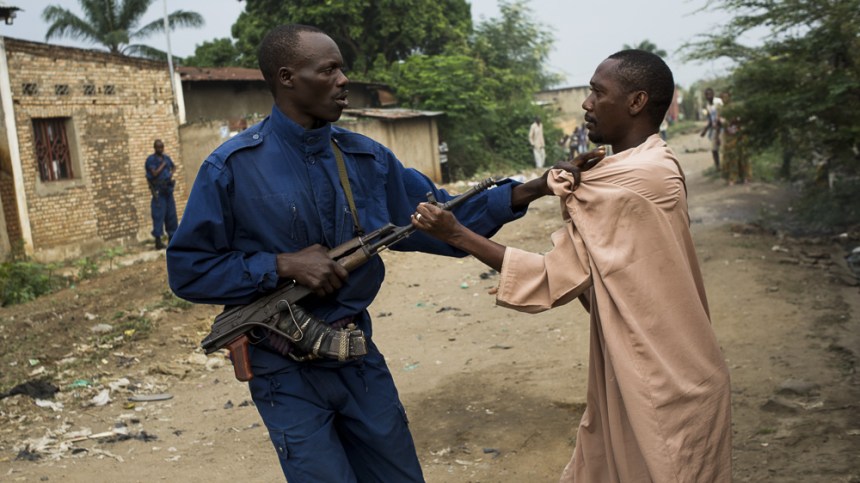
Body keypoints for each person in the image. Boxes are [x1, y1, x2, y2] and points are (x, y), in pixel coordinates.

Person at [165, 24, 573, 482]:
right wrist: (281, 264)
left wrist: (535, 188)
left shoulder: (367, 160)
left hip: (354, 355)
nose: (343, 80)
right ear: (286, 77)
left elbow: (442, 221)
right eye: (329, 69)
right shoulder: (231, 168)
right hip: (282, 367)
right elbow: (188, 270)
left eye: (342, 68)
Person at [412, 49, 732, 482]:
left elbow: (552, 277)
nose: (586, 104)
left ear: (636, 103)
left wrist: (456, 234)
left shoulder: (636, 181)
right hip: (646, 369)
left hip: (668, 381)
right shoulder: (651, 164)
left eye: (598, 93)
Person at [144, 139, 177, 250]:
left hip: (168, 189)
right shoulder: (151, 160)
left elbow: (174, 167)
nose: (161, 149)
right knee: (158, 216)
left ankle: (172, 239)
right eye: (158, 147)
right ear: (155, 148)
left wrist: (170, 174)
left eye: (162, 147)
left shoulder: (166, 157)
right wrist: (163, 165)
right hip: (158, 191)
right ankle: (158, 242)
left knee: (171, 215)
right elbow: (154, 174)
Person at [719, 91, 751, 185]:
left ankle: (745, 176)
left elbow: (741, 120)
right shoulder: (721, 110)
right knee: (731, 156)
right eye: (723, 97)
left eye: (726, 96)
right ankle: (733, 177)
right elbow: (721, 122)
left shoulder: (735, 108)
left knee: (743, 155)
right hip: (729, 136)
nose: (725, 98)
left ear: (730, 97)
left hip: (739, 135)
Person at [699, 87, 724, 170]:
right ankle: (718, 167)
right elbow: (710, 120)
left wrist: (718, 126)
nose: (708, 96)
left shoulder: (718, 102)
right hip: (714, 129)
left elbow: (721, 115)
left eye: (710, 94)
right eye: (707, 95)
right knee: (714, 149)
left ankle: (727, 167)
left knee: (724, 147)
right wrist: (705, 130)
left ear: (713, 94)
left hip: (722, 127)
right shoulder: (708, 105)